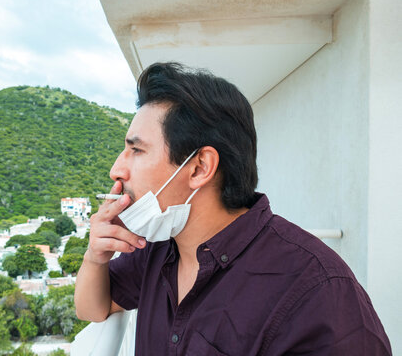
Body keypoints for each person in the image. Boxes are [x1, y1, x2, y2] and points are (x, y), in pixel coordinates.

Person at [74, 62, 391, 355]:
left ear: (199, 168)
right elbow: (92, 309)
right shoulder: (157, 250)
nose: (117, 169)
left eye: (137, 150)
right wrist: (95, 257)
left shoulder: (317, 292)